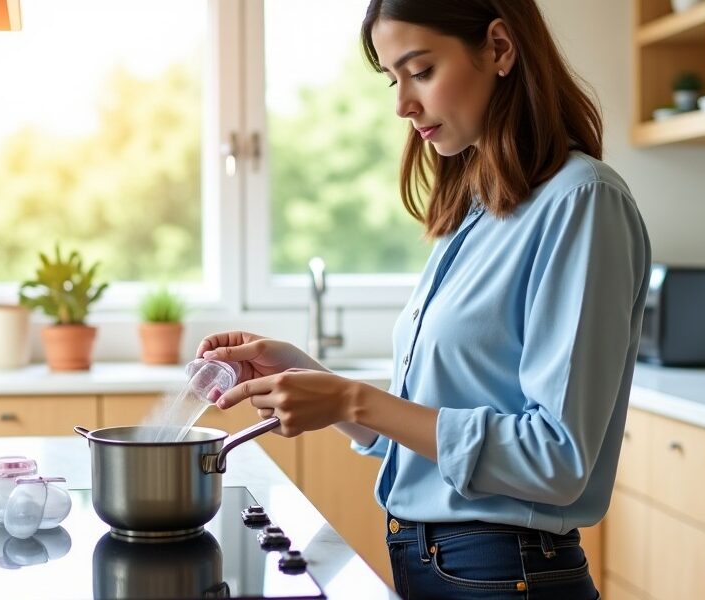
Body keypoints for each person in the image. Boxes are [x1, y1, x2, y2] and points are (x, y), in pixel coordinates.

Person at [198, 1, 650, 598]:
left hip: (502, 571)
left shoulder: (581, 202)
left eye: (421, 71)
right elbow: (427, 436)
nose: (402, 105)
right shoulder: (479, 210)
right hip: (435, 561)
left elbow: (555, 460)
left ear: (499, 48)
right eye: (394, 80)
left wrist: (352, 398)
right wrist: (312, 380)